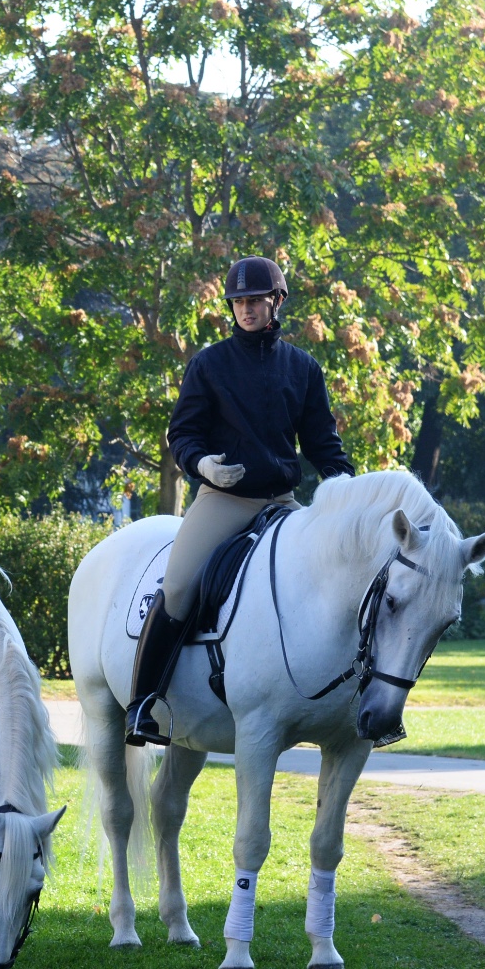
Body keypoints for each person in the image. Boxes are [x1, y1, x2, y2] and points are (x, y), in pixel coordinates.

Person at [126, 256, 355, 746]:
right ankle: (143, 702)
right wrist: (202, 465)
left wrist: (349, 490)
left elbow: (322, 445)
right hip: (224, 500)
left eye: (255, 300)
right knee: (181, 586)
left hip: (282, 502)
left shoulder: (304, 367)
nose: (246, 309)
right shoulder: (208, 364)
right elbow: (182, 433)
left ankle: (348, 698)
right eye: (238, 302)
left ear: (276, 302)